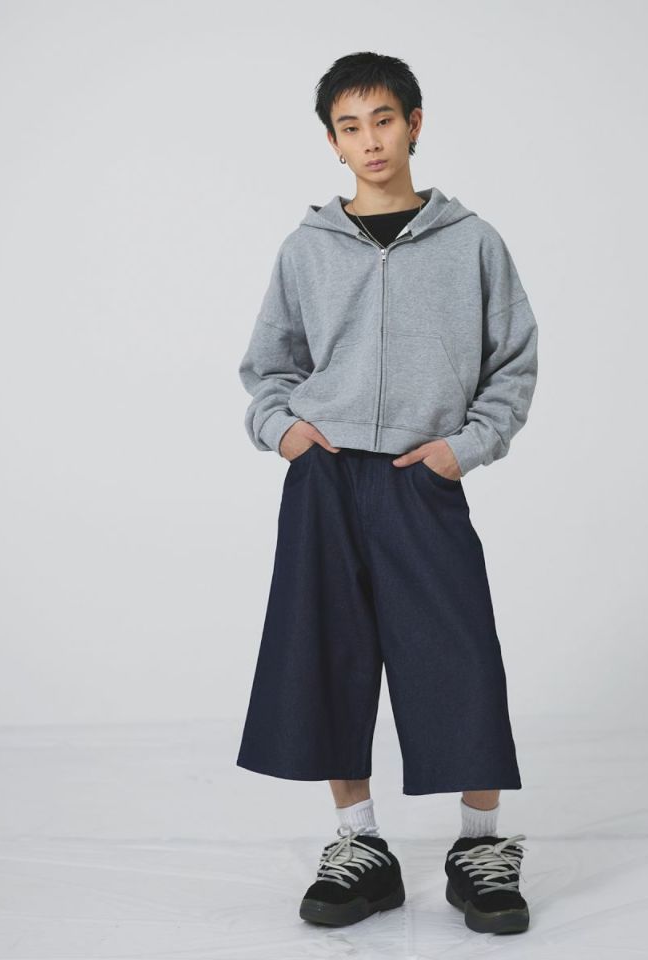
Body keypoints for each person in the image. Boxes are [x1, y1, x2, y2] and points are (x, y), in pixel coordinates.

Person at [236, 51, 538, 936]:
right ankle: (360, 843)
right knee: (327, 649)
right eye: (350, 126)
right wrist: (283, 430)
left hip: (420, 474)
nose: (370, 140)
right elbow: (268, 365)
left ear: (414, 124)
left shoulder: (472, 242)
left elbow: (513, 363)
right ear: (332, 142)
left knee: (458, 651)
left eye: (383, 120)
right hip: (326, 476)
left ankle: (480, 848)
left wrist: (465, 449)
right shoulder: (307, 248)